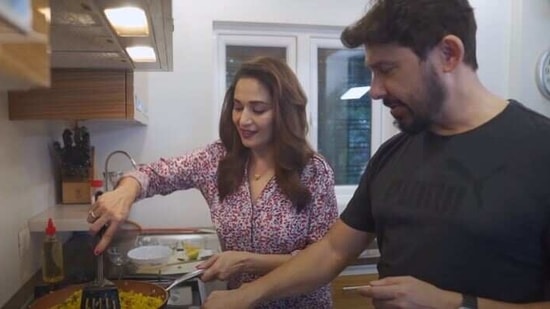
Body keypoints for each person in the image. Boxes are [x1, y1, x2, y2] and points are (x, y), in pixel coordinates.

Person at [202, 1, 550, 308]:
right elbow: (332, 252)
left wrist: (455, 305)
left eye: (387, 69)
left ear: (449, 55)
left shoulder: (539, 150)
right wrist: (245, 295)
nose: (375, 90)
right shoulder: (392, 156)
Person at [86, 56, 338, 308]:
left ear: (285, 114)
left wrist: (246, 261)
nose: (243, 120)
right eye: (238, 107)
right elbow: (156, 174)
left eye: (258, 109)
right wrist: (127, 190)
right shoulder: (217, 159)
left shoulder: (314, 172)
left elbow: (323, 261)